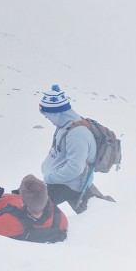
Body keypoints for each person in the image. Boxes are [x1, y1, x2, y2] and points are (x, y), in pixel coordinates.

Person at [39, 84, 98, 213]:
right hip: (61, 181)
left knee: (32, 208)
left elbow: (75, 168)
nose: (46, 117)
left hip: (69, 186)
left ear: (58, 112)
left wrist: (50, 178)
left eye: (48, 114)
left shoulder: (77, 134)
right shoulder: (65, 125)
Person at [0, 175, 68, 243]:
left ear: (24, 202)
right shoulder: (59, 218)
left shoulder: (10, 221)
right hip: (12, 204)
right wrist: (19, 196)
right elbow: (36, 205)